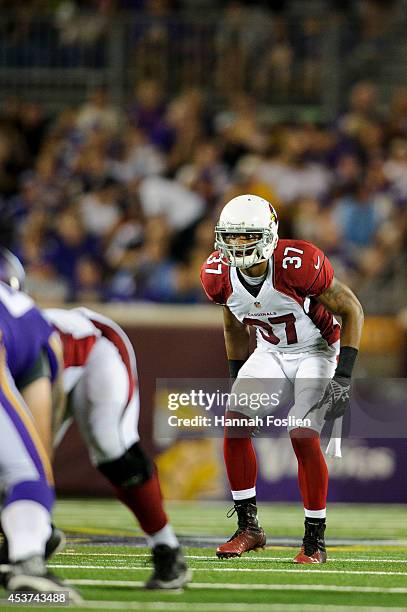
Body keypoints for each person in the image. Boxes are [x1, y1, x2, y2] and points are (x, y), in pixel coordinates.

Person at [200, 194, 364, 563]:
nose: (239, 244)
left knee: (301, 431)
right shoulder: (216, 274)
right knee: (236, 422)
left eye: (248, 236)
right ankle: (249, 528)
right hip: (270, 351)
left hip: (317, 350)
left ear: (270, 234)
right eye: (232, 236)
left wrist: (344, 377)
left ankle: (314, 540)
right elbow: (232, 324)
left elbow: (352, 309)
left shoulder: (297, 263)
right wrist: (236, 378)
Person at [44, 306, 191, 589]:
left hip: (96, 348)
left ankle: (166, 548)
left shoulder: (23, 340)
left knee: (112, 449)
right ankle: (34, 534)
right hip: (51, 368)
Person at [0, 264, 80, 600]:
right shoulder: (32, 323)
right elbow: (40, 432)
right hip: (19, 349)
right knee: (29, 476)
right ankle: (27, 563)